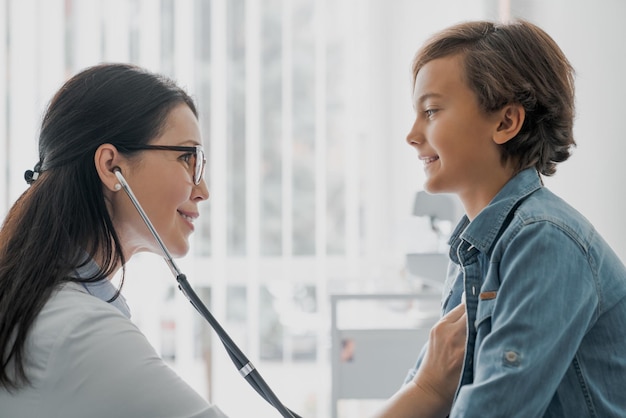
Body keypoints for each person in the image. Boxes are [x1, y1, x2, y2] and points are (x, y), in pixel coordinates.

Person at [0, 63, 466, 418]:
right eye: (187, 159)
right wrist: (426, 390)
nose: (202, 189)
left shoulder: (53, 306)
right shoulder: (77, 331)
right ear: (111, 166)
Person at [403, 19, 626, 417]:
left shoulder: (545, 242)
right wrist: (425, 389)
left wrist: (426, 389)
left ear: (506, 122)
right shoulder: (473, 250)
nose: (412, 134)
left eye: (431, 111)